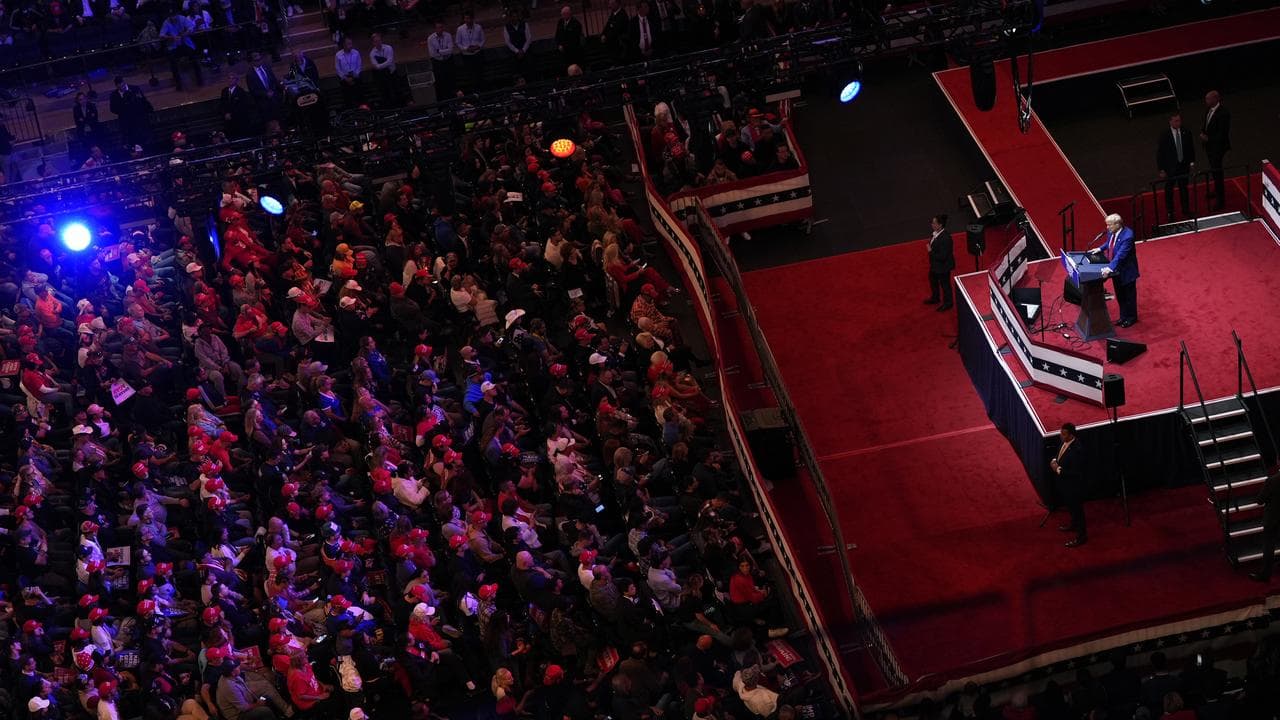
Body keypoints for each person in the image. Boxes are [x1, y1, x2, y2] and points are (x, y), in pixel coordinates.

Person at [1092, 213, 1139, 327]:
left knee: (1129, 296)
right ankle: (1123, 317)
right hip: (1116, 270)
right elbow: (1109, 243)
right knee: (1120, 295)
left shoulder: (1128, 236)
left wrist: (1109, 268)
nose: (1107, 227)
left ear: (1118, 224)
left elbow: (1121, 255)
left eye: (1109, 225)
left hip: (1127, 271)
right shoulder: (1111, 232)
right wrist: (1100, 248)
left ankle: (1132, 318)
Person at [1049, 422, 1086, 547]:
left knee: (1077, 511)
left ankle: (1082, 536)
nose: (1061, 436)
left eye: (1064, 434)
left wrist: (1058, 469)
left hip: (1074, 487)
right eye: (1061, 433)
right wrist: (1054, 460)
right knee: (1071, 507)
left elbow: (1076, 472)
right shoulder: (1064, 442)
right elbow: (1059, 454)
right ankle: (1074, 524)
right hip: (1065, 485)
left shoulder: (1077, 450)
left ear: (1071, 435)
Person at [1156, 112, 1195, 222]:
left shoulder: (1186, 132)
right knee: (1169, 190)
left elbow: (1190, 148)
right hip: (1170, 168)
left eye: (1179, 120)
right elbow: (1160, 153)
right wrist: (1161, 169)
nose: (1178, 123)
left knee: (1184, 188)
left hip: (1183, 166)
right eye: (1176, 121)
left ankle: (1186, 209)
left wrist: (1191, 162)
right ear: (1170, 121)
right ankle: (1170, 212)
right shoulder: (1165, 135)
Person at [1200, 90, 1230, 211]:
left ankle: (1221, 200)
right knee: (1214, 170)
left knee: (1217, 172)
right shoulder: (1209, 110)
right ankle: (1217, 190)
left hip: (1218, 148)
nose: (1206, 101)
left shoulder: (1224, 113)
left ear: (1215, 99)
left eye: (1208, 99)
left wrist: (1208, 138)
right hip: (1210, 147)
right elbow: (1207, 124)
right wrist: (1203, 132)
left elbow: (1222, 134)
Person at [160, 7, 203, 90]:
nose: (173, 17)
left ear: (177, 14)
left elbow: (191, 27)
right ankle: (178, 84)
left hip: (185, 43)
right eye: (171, 16)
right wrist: (171, 37)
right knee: (172, 62)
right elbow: (161, 35)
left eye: (174, 15)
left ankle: (199, 79)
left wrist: (185, 33)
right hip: (174, 46)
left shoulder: (182, 18)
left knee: (194, 58)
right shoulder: (166, 22)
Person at [1248, 471, 1280, 582]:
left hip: (1273, 519)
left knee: (1269, 546)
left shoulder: (1272, 481)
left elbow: (1260, 500)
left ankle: (1265, 574)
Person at [109, 75, 153, 150]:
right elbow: (113, 109)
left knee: (145, 142)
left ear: (124, 83)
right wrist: (123, 107)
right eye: (119, 86)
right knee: (133, 143)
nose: (122, 87)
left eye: (123, 85)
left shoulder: (135, 89)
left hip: (140, 120)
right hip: (127, 123)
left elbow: (143, 101)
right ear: (116, 86)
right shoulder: (114, 95)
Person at [924, 213, 954, 311]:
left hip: (943, 267)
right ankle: (935, 298)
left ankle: (948, 303)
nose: (932, 224)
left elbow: (942, 256)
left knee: (945, 285)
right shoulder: (936, 233)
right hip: (935, 265)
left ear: (940, 225)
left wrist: (930, 252)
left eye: (934, 223)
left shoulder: (945, 238)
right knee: (933, 281)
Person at [246, 51, 282, 125]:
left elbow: (274, 81)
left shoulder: (267, 68)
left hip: (274, 100)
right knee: (269, 124)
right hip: (263, 103)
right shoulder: (250, 75)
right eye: (256, 60)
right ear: (252, 61)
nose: (259, 61)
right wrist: (265, 94)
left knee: (280, 120)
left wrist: (272, 91)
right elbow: (253, 90)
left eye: (259, 59)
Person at [221, 72, 260, 138]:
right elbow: (222, 104)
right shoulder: (224, 91)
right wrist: (225, 113)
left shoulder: (241, 92)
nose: (230, 80)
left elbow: (242, 106)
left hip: (239, 120)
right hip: (228, 122)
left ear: (236, 80)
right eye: (229, 78)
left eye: (232, 78)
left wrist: (231, 114)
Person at [368, 32, 399, 106]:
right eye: (376, 41)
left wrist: (380, 65)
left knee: (396, 92)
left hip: (392, 74)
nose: (378, 43)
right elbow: (376, 66)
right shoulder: (372, 53)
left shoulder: (388, 48)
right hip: (382, 76)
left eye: (379, 41)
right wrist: (382, 65)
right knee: (385, 94)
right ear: (373, 43)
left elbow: (389, 61)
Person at [455, 12, 485, 90]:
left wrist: (478, 46)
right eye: (465, 18)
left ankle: (481, 90)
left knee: (479, 73)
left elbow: (483, 40)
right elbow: (458, 42)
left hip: (477, 54)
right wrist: (466, 48)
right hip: (466, 55)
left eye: (468, 18)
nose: (467, 20)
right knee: (470, 75)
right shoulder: (460, 29)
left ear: (472, 19)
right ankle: (473, 92)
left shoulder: (478, 27)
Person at [427, 22, 455, 99]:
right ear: (435, 29)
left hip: (448, 60)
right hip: (437, 63)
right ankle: (443, 99)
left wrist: (439, 51)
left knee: (450, 79)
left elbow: (450, 50)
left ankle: (452, 96)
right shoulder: (430, 38)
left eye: (441, 27)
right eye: (438, 28)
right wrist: (444, 52)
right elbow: (432, 54)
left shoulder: (448, 35)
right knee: (440, 81)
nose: (440, 29)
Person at [334, 36, 363, 108]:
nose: (351, 46)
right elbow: (338, 68)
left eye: (351, 44)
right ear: (343, 45)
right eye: (349, 44)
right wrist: (345, 78)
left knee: (359, 96)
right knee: (348, 98)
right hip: (345, 79)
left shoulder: (356, 53)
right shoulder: (338, 55)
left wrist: (355, 75)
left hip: (355, 77)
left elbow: (359, 65)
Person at [555, 5, 584, 72]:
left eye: (564, 14)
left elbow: (574, 39)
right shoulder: (560, 22)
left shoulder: (576, 24)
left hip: (573, 52)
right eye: (562, 14)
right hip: (563, 52)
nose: (562, 16)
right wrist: (559, 44)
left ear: (569, 14)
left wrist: (564, 46)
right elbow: (557, 35)